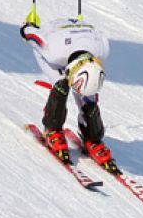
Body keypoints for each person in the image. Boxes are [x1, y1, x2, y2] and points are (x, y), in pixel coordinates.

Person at [20, 15, 111, 167]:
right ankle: (52, 129)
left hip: (78, 47)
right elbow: (31, 35)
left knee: (89, 96)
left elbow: (99, 34)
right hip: (54, 49)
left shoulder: (102, 49)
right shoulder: (52, 50)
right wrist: (27, 27)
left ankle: (92, 135)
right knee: (61, 85)